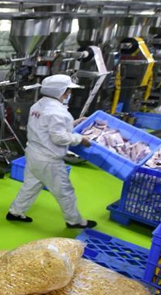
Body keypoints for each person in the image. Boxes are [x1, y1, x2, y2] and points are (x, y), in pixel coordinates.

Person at [7, 74, 97, 229]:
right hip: (49, 160)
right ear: (60, 91)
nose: (68, 94)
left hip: (33, 153)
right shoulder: (58, 112)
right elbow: (59, 138)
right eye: (67, 91)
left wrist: (75, 122)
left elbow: (46, 127)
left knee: (30, 186)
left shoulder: (39, 105)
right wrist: (80, 139)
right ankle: (74, 221)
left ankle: (15, 212)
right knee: (65, 192)